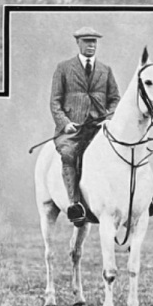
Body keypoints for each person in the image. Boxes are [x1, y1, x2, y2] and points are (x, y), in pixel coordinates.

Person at [50, 27, 120, 225]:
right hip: (74, 130)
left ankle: (141, 201)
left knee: (124, 151)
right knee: (68, 154)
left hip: (100, 128)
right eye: (87, 41)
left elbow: (115, 98)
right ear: (78, 43)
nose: (91, 45)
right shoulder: (63, 68)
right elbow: (55, 102)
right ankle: (75, 205)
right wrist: (65, 124)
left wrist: (110, 117)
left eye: (94, 42)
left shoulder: (105, 70)